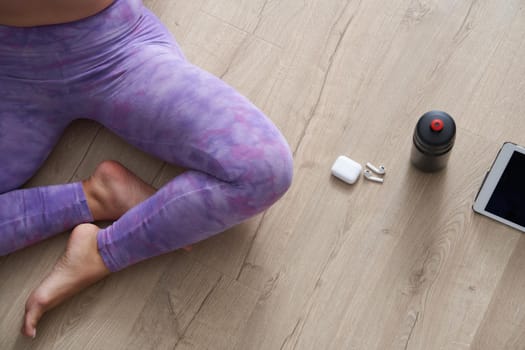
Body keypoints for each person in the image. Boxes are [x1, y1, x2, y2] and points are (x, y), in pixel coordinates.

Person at [0, 0, 293, 338]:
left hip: (115, 48)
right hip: (11, 74)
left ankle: (99, 250)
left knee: (262, 169)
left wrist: (112, 250)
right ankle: (97, 196)